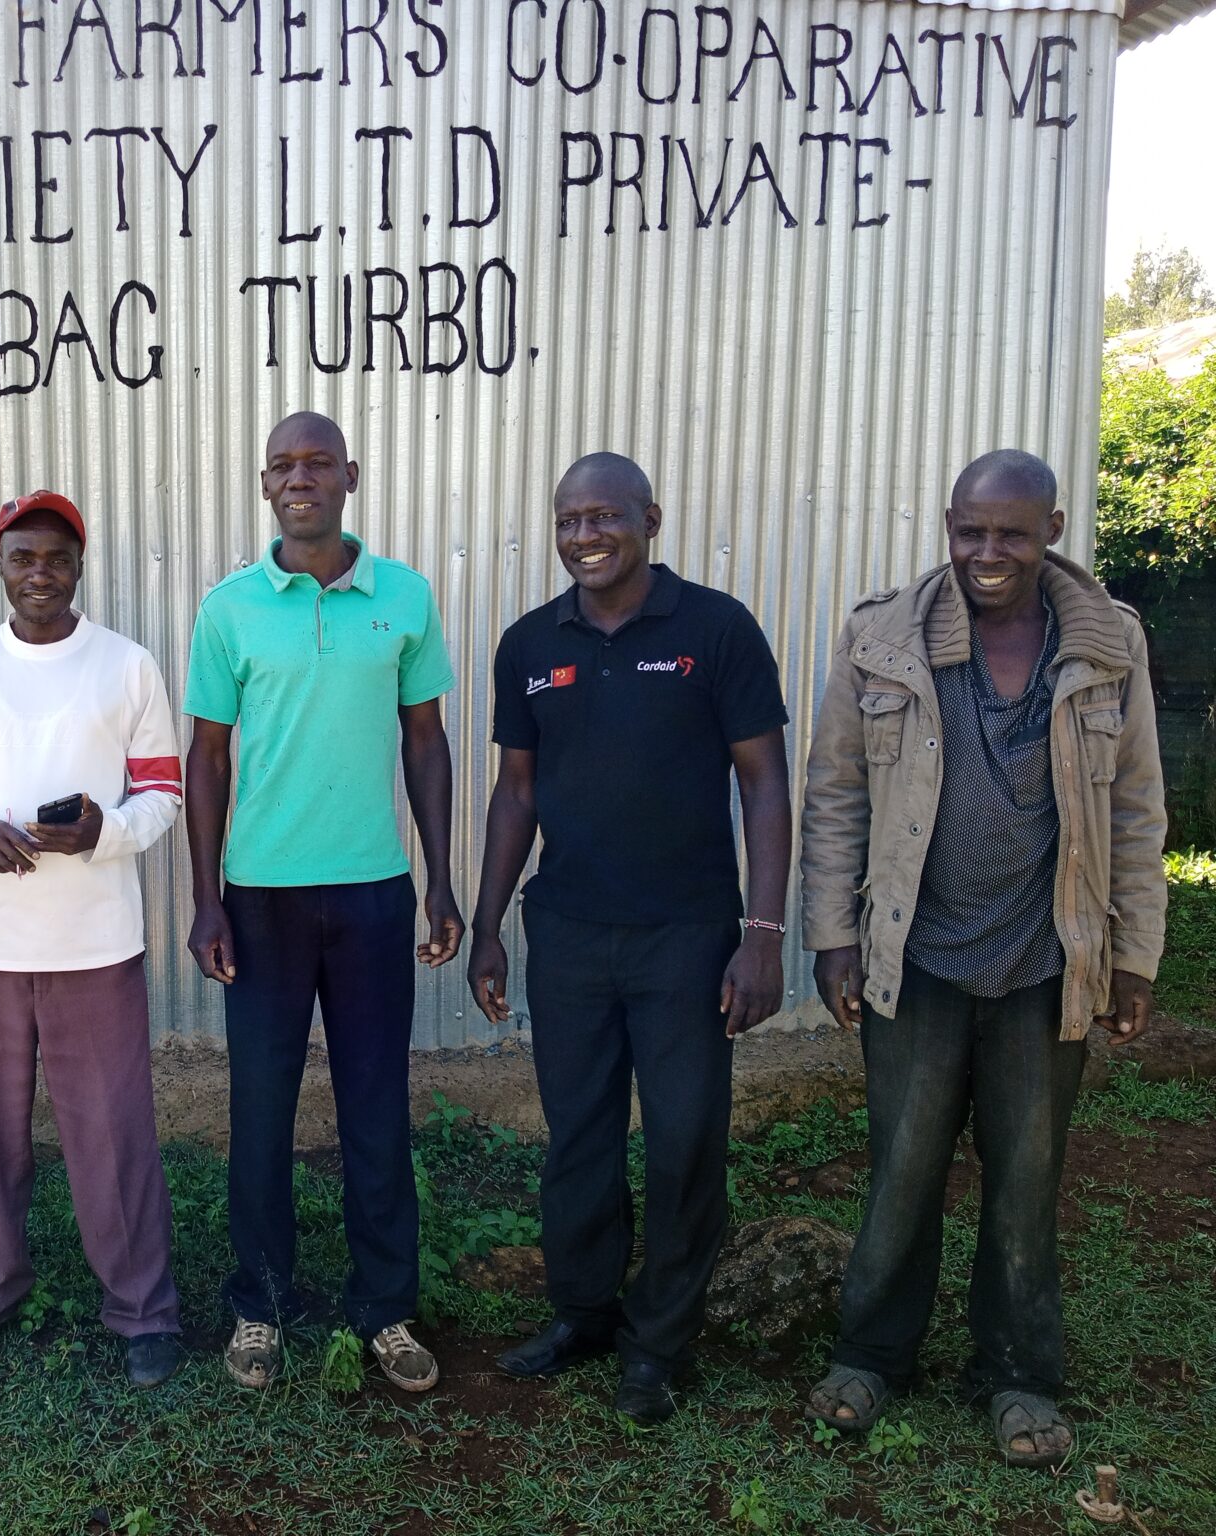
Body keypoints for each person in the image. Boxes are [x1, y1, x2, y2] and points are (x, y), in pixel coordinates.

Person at [800, 450, 1167, 1467]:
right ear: (947, 526)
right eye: (969, 532)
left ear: (1050, 526)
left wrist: (1131, 959)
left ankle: (1015, 1375)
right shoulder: (882, 637)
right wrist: (831, 934)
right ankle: (871, 1357)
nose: (986, 553)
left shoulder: (1105, 645)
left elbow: (1134, 810)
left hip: (1043, 964)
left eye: (1009, 533)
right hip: (913, 960)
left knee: (1024, 1179)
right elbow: (835, 794)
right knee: (902, 1172)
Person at [465, 452, 793, 1424]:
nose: (582, 537)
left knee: (686, 1137)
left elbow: (763, 782)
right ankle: (582, 1315)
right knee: (578, 1136)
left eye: (601, 516)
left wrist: (763, 935)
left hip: (685, 938)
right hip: (566, 933)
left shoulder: (714, 630)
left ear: (650, 517)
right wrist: (486, 926)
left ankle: (658, 1343)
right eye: (566, 520)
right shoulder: (530, 644)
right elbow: (515, 792)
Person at [184, 411, 463, 1394]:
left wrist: (439, 879)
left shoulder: (404, 597)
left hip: (373, 896)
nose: (299, 478)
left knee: (375, 1110)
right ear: (264, 486)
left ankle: (384, 1308)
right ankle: (258, 1305)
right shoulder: (227, 610)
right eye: (281, 465)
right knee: (258, 1113)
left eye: (317, 462)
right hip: (258, 900)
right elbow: (205, 757)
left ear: (350, 474)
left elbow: (424, 742)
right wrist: (205, 897)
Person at [0, 490, 186, 1388]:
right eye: (22, 557)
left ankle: (142, 1309)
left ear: (78, 565)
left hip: (95, 943)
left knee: (111, 1132)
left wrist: (104, 831)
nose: (39, 573)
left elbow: (163, 795)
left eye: (55, 558)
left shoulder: (127, 666)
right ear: (0, 564)